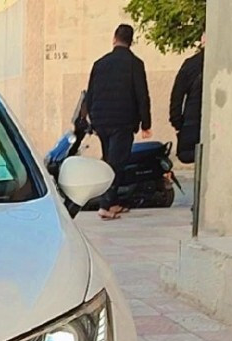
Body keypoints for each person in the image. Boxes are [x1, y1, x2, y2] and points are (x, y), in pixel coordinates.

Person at [82, 23, 152, 219]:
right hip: (123, 122)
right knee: (116, 164)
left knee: (109, 161)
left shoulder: (100, 63)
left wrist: (92, 120)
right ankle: (105, 206)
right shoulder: (135, 64)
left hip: (102, 122)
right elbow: (142, 96)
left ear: (114, 38)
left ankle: (112, 202)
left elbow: (91, 93)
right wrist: (146, 124)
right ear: (131, 41)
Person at [170, 34, 205, 166]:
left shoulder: (191, 64)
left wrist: (177, 122)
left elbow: (177, 96)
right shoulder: (226, 62)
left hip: (192, 121)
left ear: (203, 39)